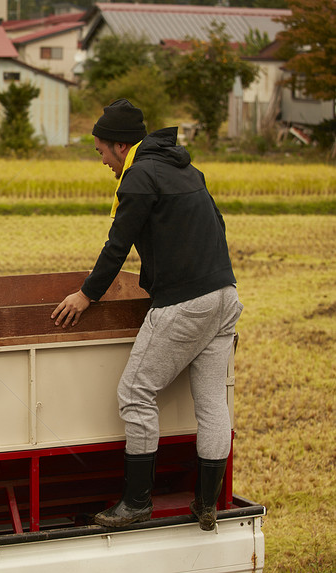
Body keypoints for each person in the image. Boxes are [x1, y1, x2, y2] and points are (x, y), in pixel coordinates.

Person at [50, 99, 243, 531]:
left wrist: (86, 295)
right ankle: (206, 504)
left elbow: (118, 244)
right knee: (212, 403)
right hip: (225, 295)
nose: (102, 161)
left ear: (120, 147)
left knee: (136, 393)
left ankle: (136, 503)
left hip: (185, 304)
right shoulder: (185, 168)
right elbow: (218, 222)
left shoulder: (138, 176)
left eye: (100, 151)